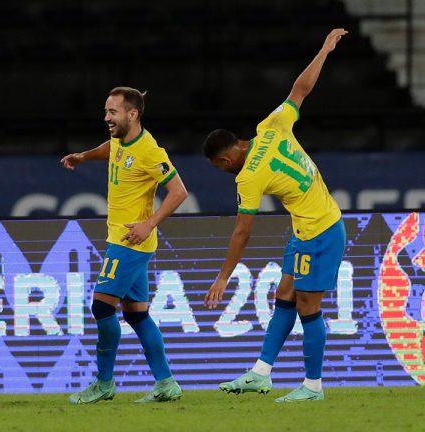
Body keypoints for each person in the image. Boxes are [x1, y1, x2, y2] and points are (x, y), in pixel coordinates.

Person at [202, 28, 349, 402]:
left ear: (226, 158)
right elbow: (300, 90)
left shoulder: (249, 177)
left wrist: (223, 277)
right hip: (307, 229)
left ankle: (313, 386)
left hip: (320, 231)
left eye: (221, 168)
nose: (224, 172)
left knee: (307, 305)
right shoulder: (270, 125)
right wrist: (323, 50)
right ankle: (260, 373)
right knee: (285, 293)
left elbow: (242, 233)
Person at [60, 87, 188, 404]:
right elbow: (112, 148)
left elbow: (178, 192)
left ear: (132, 114)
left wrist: (148, 223)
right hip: (124, 240)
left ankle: (104, 383)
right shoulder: (121, 139)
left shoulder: (150, 151)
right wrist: (85, 156)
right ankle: (166, 383)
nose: (106, 118)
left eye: (112, 112)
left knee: (102, 307)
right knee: (137, 315)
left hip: (130, 240)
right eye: (106, 111)